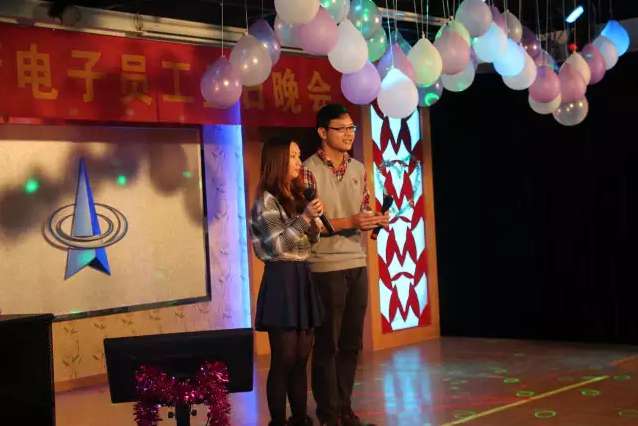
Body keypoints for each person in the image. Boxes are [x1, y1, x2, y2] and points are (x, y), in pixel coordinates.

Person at [303, 104, 389, 426]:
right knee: (327, 344)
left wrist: (375, 219)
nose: (349, 134)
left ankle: (344, 408)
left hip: (357, 261)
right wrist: (351, 221)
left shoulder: (358, 168)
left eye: (352, 128)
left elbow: (362, 210)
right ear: (322, 132)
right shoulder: (308, 170)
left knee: (352, 344)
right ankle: (328, 413)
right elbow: (309, 225)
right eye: (341, 129)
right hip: (325, 265)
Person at [250, 137, 325, 426]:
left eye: (298, 155)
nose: (298, 162)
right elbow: (278, 246)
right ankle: (278, 421)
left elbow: (309, 241)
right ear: (279, 160)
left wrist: (314, 223)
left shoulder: (295, 195)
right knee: (284, 359)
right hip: (281, 279)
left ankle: (300, 418)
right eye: (293, 156)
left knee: (301, 359)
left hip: (302, 275)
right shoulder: (265, 200)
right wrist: (305, 219)